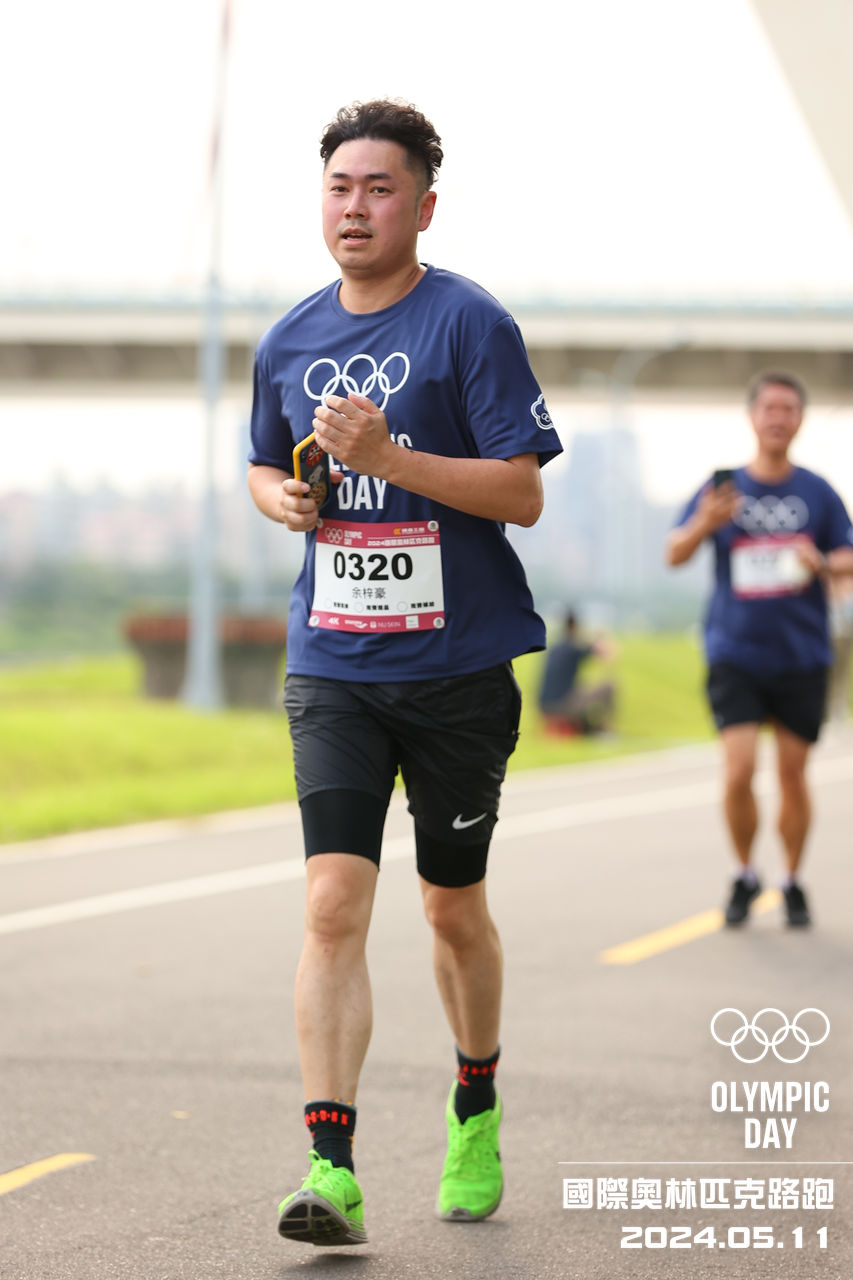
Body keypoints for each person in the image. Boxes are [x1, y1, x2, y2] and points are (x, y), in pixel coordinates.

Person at [247, 99, 561, 1247]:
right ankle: (329, 1167)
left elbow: (520, 491)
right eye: (340, 186)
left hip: (456, 667)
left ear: (423, 205)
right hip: (333, 661)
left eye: (379, 188)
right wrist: (285, 498)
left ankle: (474, 1101)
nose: (355, 207)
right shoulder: (287, 339)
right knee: (333, 901)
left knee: (449, 904)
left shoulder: (469, 322)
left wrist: (389, 456)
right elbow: (261, 465)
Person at [666, 371, 853, 929]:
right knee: (739, 770)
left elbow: (848, 555)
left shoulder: (817, 491)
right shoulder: (721, 489)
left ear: (800, 420)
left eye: (788, 409)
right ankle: (745, 872)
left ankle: (791, 879)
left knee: (793, 775)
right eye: (769, 408)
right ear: (752, 417)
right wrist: (706, 522)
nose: (778, 417)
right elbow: (673, 553)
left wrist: (821, 561)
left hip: (801, 654)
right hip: (735, 651)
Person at [537, 610, 616, 734]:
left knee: (582, 687)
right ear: (574, 626)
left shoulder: (554, 648)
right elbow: (601, 652)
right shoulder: (574, 647)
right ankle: (605, 729)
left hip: (544, 705)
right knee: (609, 687)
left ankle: (591, 727)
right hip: (562, 705)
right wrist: (601, 637)